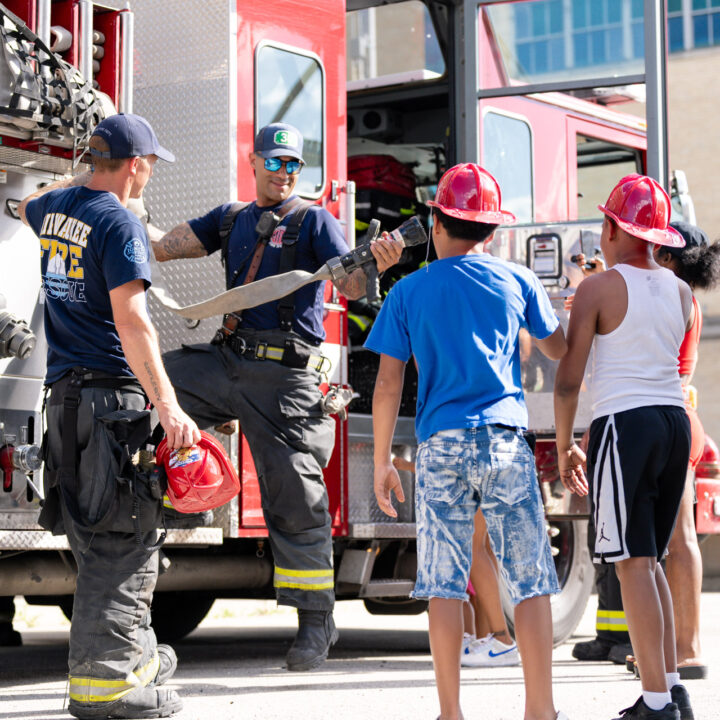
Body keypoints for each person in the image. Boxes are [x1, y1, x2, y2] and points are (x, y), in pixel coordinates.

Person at [148, 122, 404, 672]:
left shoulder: (315, 220)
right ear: (254, 161)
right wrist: (120, 218)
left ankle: (316, 622)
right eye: (276, 162)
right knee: (144, 388)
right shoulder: (230, 218)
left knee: (294, 497)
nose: (286, 172)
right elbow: (162, 249)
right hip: (226, 361)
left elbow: (353, 288)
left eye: (294, 165)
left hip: (286, 382)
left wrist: (374, 264)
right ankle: (163, 504)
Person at [367, 163, 568, 720]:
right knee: (528, 577)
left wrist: (383, 460)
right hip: (504, 440)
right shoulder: (518, 280)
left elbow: (388, 383)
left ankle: (451, 713)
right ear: (493, 230)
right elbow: (559, 350)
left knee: (444, 584)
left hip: (441, 446)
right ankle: (540, 710)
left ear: (436, 222)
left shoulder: (408, 290)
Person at [18, 113, 200, 720]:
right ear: (135, 164)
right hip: (108, 404)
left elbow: (28, 206)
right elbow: (134, 322)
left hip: (64, 402)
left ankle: (136, 660)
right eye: (149, 162)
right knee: (123, 542)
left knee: (98, 540)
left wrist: (81, 180)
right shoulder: (119, 222)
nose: (151, 172)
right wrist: (168, 404)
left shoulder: (60, 208)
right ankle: (107, 689)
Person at [554, 174, 695, 720]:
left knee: (631, 562)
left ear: (612, 227)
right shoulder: (680, 290)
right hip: (672, 420)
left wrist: (566, 444)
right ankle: (670, 686)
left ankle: (656, 703)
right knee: (650, 560)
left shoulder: (598, 287)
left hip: (625, 425)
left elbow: (569, 378)